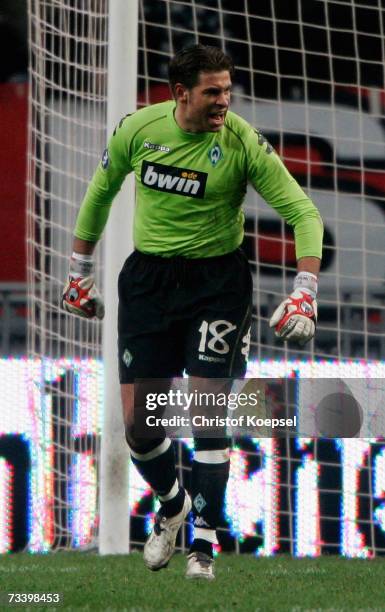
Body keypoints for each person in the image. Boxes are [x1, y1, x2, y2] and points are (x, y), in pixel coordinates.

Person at [62, 44, 323, 580]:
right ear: (181, 93)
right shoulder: (139, 129)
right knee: (139, 426)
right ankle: (174, 504)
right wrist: (77, 269)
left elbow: (303, 211)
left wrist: (305, 287)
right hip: (149, 283)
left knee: (206, 410)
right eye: (213, 91)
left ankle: (203, 540)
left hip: (216, 285)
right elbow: (101, 191)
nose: (224, 100)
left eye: (228, 90)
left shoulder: (242, 142)